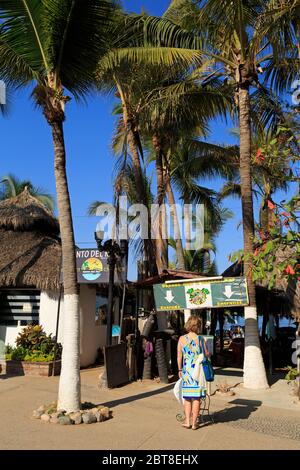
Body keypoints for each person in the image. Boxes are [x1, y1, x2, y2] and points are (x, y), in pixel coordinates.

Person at [177, 315, 210, 430]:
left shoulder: (182, 338)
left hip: (187, 372)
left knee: (187, 397)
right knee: (196, 398)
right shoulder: (201, 339)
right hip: (198, 372)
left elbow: (179, 356)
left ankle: (187, 421)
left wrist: (180, 369)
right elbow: (207, 354)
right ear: (198, 326)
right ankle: (195, 423)